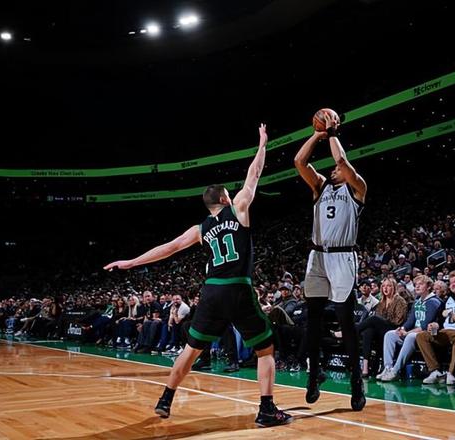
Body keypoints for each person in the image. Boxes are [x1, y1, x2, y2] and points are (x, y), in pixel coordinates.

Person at [103, 124, 292, 427]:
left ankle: (166, 398)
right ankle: (267, 409)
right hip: (237, 288)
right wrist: (262, 144)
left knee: (191, 350)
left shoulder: (200, 229)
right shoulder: (239, 208)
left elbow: (169, 248)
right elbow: (254, 173)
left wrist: (131, 262)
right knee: (265, 347)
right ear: (226, 199)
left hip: (211, 292)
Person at [294, 110, 367, 410]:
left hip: (342, 257)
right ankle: (314, 375)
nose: (334, 169)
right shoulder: (320, 186)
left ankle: (356, 382)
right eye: (334, 168)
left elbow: (343, 162)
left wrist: (333, 133)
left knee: (346, 321)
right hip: (317, 257)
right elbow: (299, 162)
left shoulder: (358, 188)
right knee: (312, 320)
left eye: (338, 168)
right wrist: (317, 134)